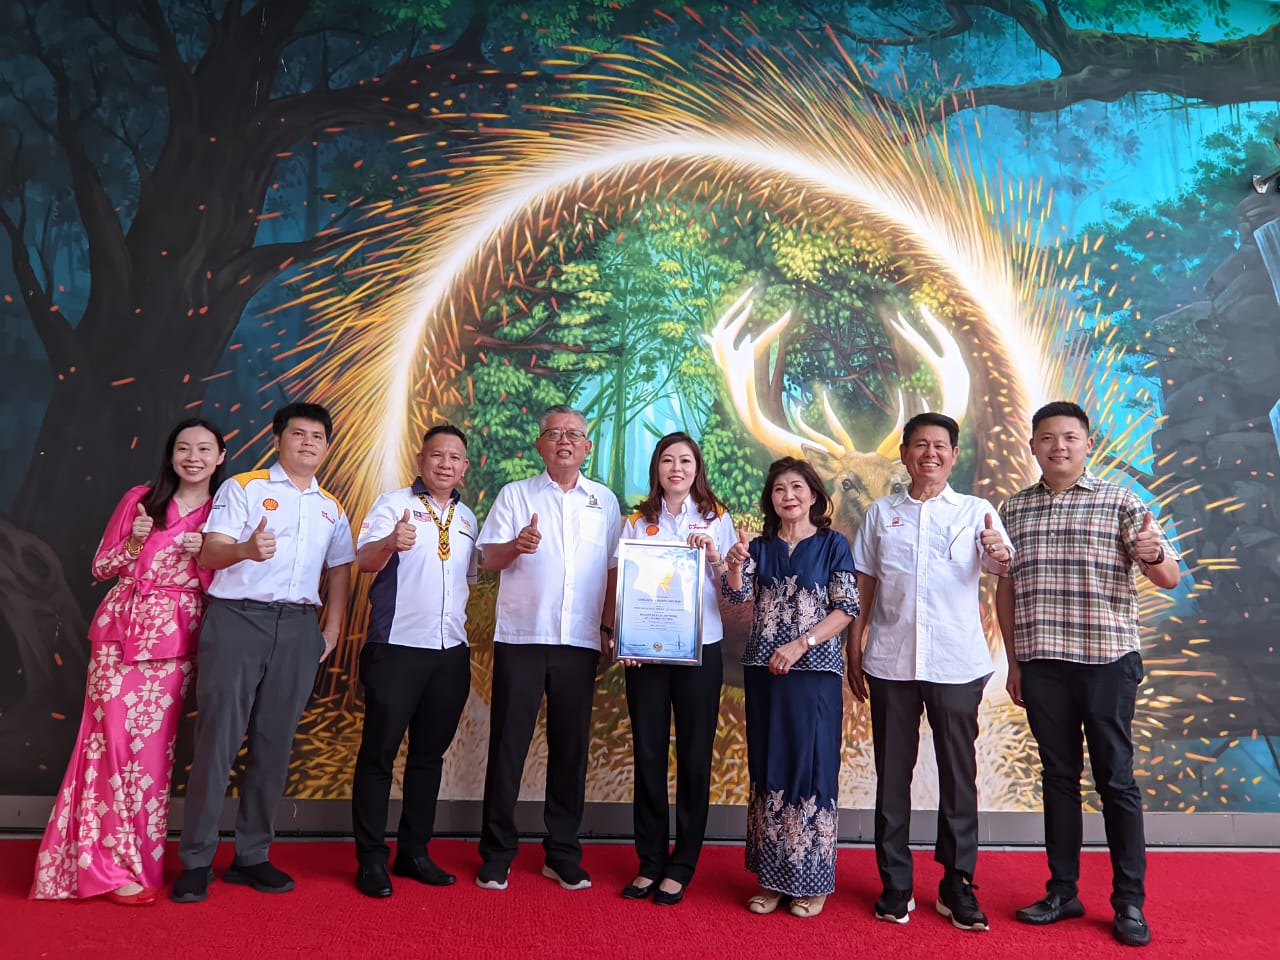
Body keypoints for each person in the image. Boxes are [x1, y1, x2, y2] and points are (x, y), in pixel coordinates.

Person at [996, 401, 1178, 948]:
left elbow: (1167, 576)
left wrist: (1152, 555)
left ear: (1088, 444)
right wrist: (1014, 660)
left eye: (1070, 437)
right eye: (1047, 438)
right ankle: (1063, 891)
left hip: (1107, 662)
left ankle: (1128, 903)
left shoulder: (1121, 501)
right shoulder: (1013, 511)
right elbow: (1004, 588)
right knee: (1058, 780)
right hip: (1044, 663)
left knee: (1116, 782)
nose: (1059, 446)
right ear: (1032, 446)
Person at [31, 419, 226, 905]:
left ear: (221, 456)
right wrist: (136, 541)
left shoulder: (224, 511)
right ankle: (104, 868)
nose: (193, 457)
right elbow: (101, 567)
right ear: (171, 454)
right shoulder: (142, 498)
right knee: (107, 747)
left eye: (204, 449)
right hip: (118, 638)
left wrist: (204, 555)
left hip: (176, 644)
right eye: (184, 447)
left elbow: (222, 585)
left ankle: (136, 860)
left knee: (152, 757)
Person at [171, 402, 355, 903]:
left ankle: (252, 855)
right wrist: (246, 551)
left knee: (275, 744)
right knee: (217, 741)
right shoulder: (244, 487)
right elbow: (210, 552)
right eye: (298, 434)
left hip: (298, 627)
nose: (308, 444)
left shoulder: (330, 506)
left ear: (327, 446)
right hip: (237, 621)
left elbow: (341, 567)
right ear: (278, 439)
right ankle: (196, 860)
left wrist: (332, 626)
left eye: (318, 437)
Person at [847, 412, 1013, 931]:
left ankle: (957, 883)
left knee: (958, 778)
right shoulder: (880, 514)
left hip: (957, 665)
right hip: (892, 663)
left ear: (953, 454)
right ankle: (895, 883)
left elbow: (1001, 563)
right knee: (892, 775)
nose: (930, 454)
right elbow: (865, 586)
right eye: (920, 445)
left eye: (940, 446)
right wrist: (855, 647)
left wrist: (999, 553)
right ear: (905, 454)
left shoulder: (976, 511)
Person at [474, 405, 621, 892]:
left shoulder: (605, 501)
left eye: (574, 434)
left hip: (580, 642)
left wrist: (605, 628)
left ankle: (561, 852)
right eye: (554, 433)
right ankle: (496, 853)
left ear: (587, 447)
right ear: (540, 444)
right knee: (508, 747)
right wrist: (517, 545)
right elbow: (489, 559)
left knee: (570, 750)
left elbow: (615, 571)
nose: (564, 440)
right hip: (522, 637)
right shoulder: (515, 495)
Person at [723, 456, 859, 919]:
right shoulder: (758, 547)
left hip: (814, 672)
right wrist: (736, 565)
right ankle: (773, 880)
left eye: (797, 487)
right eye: (779, 489)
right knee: (769, 764)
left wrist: (802, 644)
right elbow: (738, 597)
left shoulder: (833, 544)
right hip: (763, 672)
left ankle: (811, 881)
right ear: (772, 500)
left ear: (815, 495)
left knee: (811, 765)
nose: (789, 496)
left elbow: (846, 608)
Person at [350, 424, 477, 898]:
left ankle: (414, 852)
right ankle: (370, 859)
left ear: (465, 467)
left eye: (455, 458)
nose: (446, 464)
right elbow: (363, 561)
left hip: (450, 652)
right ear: (420, 459)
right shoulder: (392, 504)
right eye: (437, 455)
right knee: (379, 755)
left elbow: (468, 578)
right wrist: (390, 542)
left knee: (428, 758)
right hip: (396, 649)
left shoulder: (468, 518)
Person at [617, 432, 736, 907]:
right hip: (645, 654)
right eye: (668, 460)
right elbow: (625, 584)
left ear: (697, 468)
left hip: (699, 652)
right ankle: (649, 861)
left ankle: (682, 863)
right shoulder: (636, 521)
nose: (677, 468)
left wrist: (714, 556)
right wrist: (623, 636)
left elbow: (732, 589)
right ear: (657, 470)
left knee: (693, 755)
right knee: (647, 754)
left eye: (685, 460)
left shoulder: (717, 519)